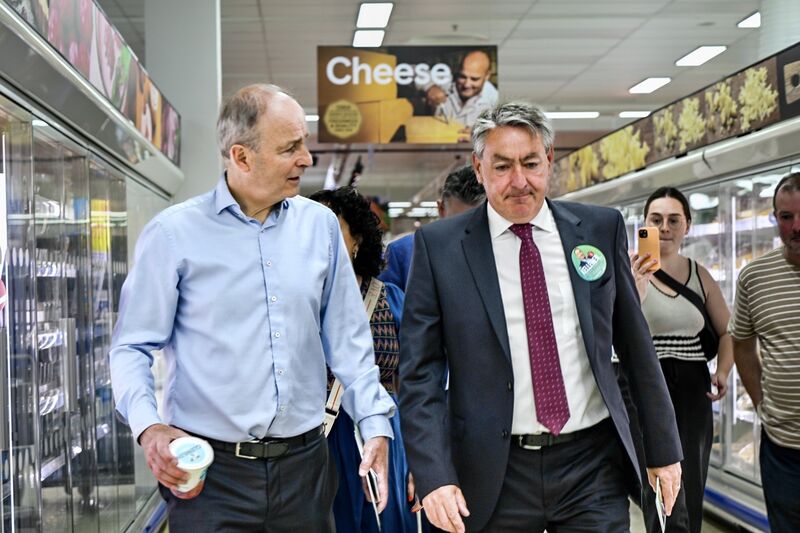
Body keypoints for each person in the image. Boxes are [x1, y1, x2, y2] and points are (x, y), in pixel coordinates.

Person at [109, 84, 395, 532]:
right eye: (289, 148)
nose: (306, 158)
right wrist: (150, 428)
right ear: (241, 157)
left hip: (306, 470)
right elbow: (131, 347)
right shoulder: (173, 235)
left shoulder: (320, 227)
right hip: (211, 476)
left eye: (303, 143)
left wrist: (374, 424)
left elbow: (349, 341)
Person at [398, 101, 683, 533]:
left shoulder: (598, 229)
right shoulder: (441, 248)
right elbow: (419, 374)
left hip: (592, 464)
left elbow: (636, 347)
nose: (519, 182)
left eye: (530, 163)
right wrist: (434, 474)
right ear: (478, 168)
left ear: (549, 160)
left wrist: (663, 449)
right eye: (502, 167)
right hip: (494, 470)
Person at [309, 186, 418, 533]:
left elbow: (417, 382)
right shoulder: (295, 302)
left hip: (382, 434)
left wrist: (422, 460)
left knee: (380, 520)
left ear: (357, 240)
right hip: (315, 438)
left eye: (331, 229)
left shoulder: (389, 299)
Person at [629, 187, 734, 533]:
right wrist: (636, 286)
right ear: (644, 224)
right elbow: (615, 331)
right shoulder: (627, 271)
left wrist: (722, 371)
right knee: (657, 488)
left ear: (687, 225)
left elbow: (728, 331)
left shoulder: (699, 275)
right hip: (645, 385)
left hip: (692, 387)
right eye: (656, 220)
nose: (665, 228)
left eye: (674, 220)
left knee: (690, 482)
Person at [729, 171, 800, 532]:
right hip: (782, 449)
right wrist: (761, 405)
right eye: (786, 217)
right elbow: (742, 345)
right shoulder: (754, 277)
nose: (796, 227)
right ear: (775, 219)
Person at [380, 164, 485, 289]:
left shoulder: (502, 251)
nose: (466, 232)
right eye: (457, 223)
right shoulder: (402, 254)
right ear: (441, 209)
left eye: (477, 222)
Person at [424, 50, 498, 128]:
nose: (466, 85)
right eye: (463, 76)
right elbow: (416, 70)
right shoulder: (446, 80)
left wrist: (482, 132)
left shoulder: (496, 99)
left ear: (487, 76)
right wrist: (430, 86)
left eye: (474, 79)